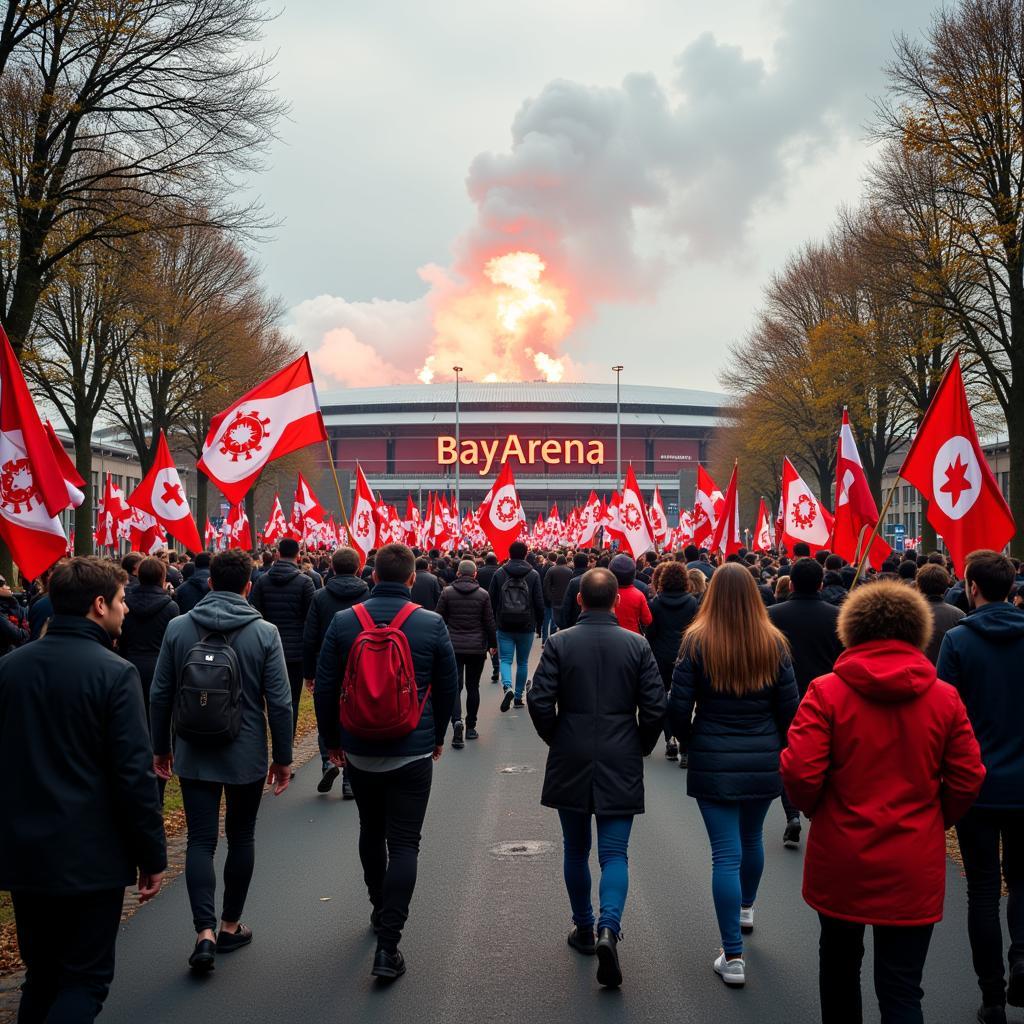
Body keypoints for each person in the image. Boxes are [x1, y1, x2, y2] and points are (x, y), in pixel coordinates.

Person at [782, 581, 985, 1024]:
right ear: (918, 632)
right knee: (901, 987)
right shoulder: (944, 698)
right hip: (913, 857)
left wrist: (820, 809)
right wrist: (935, 817)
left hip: (841, 854)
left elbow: (800, 771)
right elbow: (968, 775)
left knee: (839, 971)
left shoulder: (826, 691)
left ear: (852, 630)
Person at [0, 557, 166, 1022]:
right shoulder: (114, 673)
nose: (127, 610)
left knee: (42, 975)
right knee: (85, 980)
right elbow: (134, 775)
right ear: (99, 605)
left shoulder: (10, 668)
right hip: (90, 856)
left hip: (24, 850)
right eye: (120, 600)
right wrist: (151, 856)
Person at [314, 543, 458, 980]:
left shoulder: (343, 621)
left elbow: (324, 687)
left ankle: (379, 909)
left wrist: (332, 742)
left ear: (372, 576)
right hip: (412, 749)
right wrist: (438, 736)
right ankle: (389, 944)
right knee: (406, 842)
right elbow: (447, 686)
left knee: (370, 832)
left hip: (358, 746)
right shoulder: (431, 623)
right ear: (413, 579)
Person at [150, 548, 293, 972]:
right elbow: (281, 702)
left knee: (199, 840)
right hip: (245, 749)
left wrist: (162, 746)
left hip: (193, 748)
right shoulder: (264, 632)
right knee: (242, 836)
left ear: (209, 583)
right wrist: (283, 758)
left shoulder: (178, 627)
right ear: (249, 586)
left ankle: (204, 933)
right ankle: (230, 924)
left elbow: (160, 693)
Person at [527, 568, 666, 989]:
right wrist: (641, 743)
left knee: (575, 848)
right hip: (620, 749)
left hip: (571, 749)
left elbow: (539, 699)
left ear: (580, 601)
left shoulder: (560, 641)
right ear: (619, 601)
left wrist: (557, 735)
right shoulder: (638, 644)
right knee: (614, 853)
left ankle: (584, 928)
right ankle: (610, 927)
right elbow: (656, 706)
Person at [669, 563, 799, 987]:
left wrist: (689, 740)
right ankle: (746, 907)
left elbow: (677, 705)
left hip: (713, 754)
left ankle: (734, 955)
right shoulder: (775, 643)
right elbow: (790, 710)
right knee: (751, 839)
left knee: (724, 853)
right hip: (763, 756)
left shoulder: (696, 642)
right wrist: (779, 746)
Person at [937, 550, 1024, 1022]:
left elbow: (943, 714)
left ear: (971, 586)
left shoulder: (957, 641)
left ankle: (992, 996)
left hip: (977, 785)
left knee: (984, 890)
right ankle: (1023, 958)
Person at [767, 557, 843, 848]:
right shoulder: (838, 617)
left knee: (790, 757)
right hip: (828, 697)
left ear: (791, 584)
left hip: (783, 696)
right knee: (827, 757)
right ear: (821, 584)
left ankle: (793, 814)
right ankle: (822, 813)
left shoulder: (772, 615)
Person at [301, 546, 370, 797]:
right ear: (358, 568)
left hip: (325, 664)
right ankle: (350, 778)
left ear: (331, 567)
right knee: (352, 718)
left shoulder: (320, 597)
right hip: (360, 665)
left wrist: (308, 673)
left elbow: (309, 638)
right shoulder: (368, 595)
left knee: (326, 714)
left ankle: (328, 760)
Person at [250, 537, 315, 737]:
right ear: (298, 555)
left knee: (266, 697)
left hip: (267, 646)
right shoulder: (305, 582)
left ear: (278, 554)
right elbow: (310, 619)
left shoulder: (262, 581)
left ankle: (266, 738)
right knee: (292, 699)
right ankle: (287, 741)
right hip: (295, 651)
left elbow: (254, 612)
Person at [436, 559, 497, 747]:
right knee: (473, 686)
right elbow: (489, 622)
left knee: (455, 686)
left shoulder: (447, 593)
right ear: (475, 574)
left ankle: (456, 722)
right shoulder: (483, 595)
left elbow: (438, 619)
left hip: (453, 646)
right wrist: (493, 644)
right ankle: (471, 726)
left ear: (458, 573)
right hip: (476, 647)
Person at [645, 561, 698, 762]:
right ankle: (685, 745)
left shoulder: (656, 604)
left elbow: (651, 632)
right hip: (687, 656)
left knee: (665, 699)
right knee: (687, 701)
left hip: (662, 656)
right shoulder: (692, 603)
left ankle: (670, 740)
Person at [117, 556, 179, 718]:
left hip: (128, 663)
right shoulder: (171, 607)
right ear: (163, 578)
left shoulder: (125, 604)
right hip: (160, 667)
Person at [489, 540, 544, 712]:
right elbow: (539, 601)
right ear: (526, 553)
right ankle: (519, 696)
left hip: (504, 624)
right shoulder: (533, 574)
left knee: (505, 659)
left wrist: (493, 623)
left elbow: (491, 600)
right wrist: (539, 625)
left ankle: (508, 687)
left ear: (509, 553)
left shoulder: (499, 573)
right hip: (526, 624)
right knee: (522, 662)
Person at [916, 563, 965, 665]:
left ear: (919, 585)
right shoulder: (959, 615)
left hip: (918, 673)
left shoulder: (910, 614)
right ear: (946, 584)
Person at [608, 554, 652, 634]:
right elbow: (647, 620)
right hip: (632, 637)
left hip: (608, 635)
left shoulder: (605, 591)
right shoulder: (639, 595)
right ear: (633, 574)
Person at [543, 554, 573, 636]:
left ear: (557, 561)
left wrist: (549, 596)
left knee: (552, 619)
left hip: (554, 598)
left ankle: (549, 639)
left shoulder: (551, 570)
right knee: (562, 619)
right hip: (565, 598)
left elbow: (546, 584)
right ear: (565, 562)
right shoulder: (570, 571)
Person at [559, 552, 591, 630]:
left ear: (574, 563)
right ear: (587, 564)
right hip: (589, 622)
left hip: (574, 623)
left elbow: (566, 606)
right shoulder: (593, 580)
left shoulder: (573, 581)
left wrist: (564, 627)